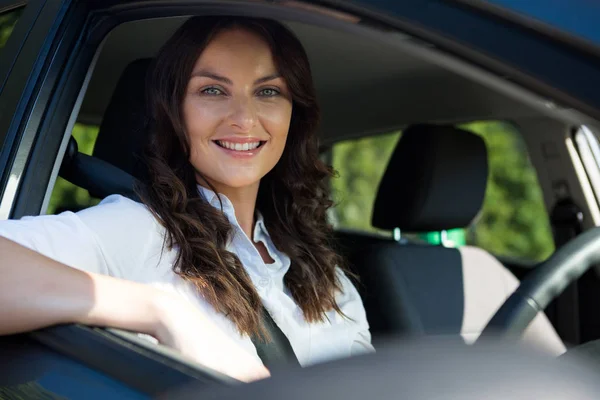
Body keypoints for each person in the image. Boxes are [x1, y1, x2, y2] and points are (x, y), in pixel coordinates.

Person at [0, 16, 373, 382]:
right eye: (212, 90)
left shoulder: (329, 277)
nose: (244, 119)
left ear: (294, 115)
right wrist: (161, 309)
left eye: (268, 91)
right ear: (174, 111)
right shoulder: (139, 230)